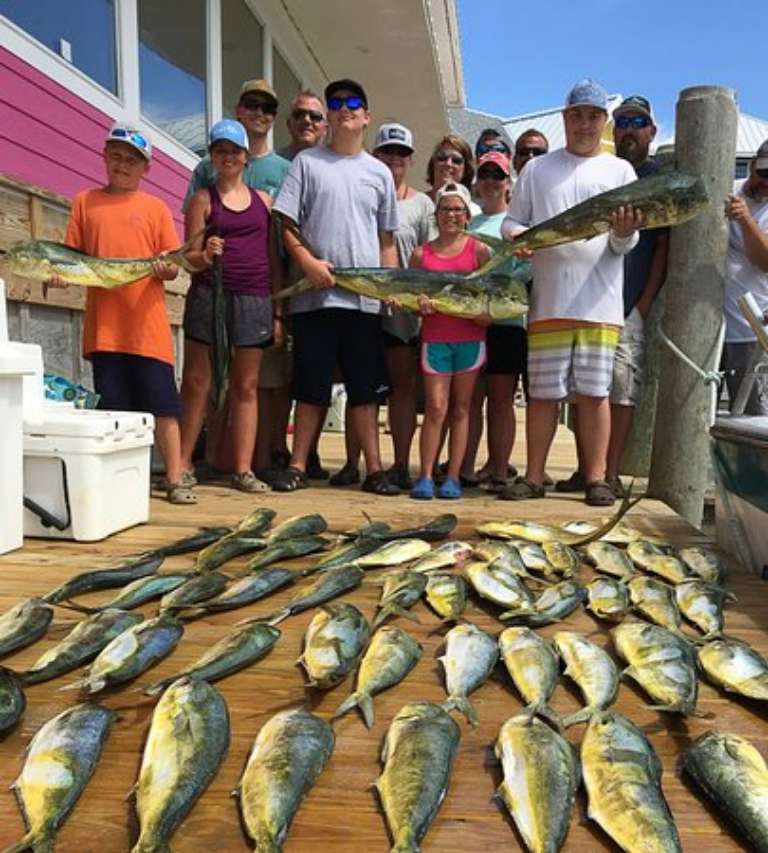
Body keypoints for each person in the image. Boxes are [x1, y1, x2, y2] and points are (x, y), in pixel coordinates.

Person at [500, 79, 642, 506]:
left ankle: (597, 478)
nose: (584, 124)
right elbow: (512, 221)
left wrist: (624, 231)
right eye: (577, 115)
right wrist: (518, 238)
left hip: (600, 304)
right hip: (549, 302)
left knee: (595, 394)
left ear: (603, 122)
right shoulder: (536, 169)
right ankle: (534, 476)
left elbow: (626, 243)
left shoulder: (620, 172)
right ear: (565, 118)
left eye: (593, 117)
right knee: (543, 396)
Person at [271, 78, 400, 495]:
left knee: (365, 390)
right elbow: (285, 223)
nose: (345, 108)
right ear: (328, 115)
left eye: (354, 102)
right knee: (311, 387)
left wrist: (389, 288)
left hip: (364, 302)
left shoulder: (379, 172)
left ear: (366, 117)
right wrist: (307, 263)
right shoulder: (307, 163)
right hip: (314, 299)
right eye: (337, 102)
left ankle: (375, 470)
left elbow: (387, 241)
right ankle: (297, 465)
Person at [53, 123, 191, 504]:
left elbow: (173, 265)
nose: (122, 164)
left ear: (146, 168)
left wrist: (165, 269)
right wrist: (57, 275)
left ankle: (175, 478)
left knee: (163, 407)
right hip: (105, 331)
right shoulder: (84, 201)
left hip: (148, 331)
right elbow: (69, 258)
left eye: (132, 160)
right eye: (116, 156)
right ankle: (123, 481)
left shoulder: (156, 208)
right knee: (115, 411)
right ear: (104, 157)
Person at [557, 96, 669, 497]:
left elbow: (663, 246)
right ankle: (586, 468)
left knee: (620, 389)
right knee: (582, 388)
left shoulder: (657, 179)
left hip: (627, 304)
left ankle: (611, 471)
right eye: (622, 123)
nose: (629, 130)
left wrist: (644, 302)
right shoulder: (599, 169)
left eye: (638, 123)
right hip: (586, 300)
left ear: (651, 131)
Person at [332, 123, 435, 490]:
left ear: (410, 160)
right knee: (359, 385)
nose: (394, 159)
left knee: (401, 387)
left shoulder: (422, 205)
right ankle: (352, 462)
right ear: (375, 155)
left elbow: (429, 258)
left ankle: (401, 463)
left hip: (400, 312)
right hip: (358, 304)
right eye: (387, 152)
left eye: (401, 154)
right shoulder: (359, 192)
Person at [179, 120, 279, 493]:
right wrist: (205, 255)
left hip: (254, 298)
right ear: (212, 156)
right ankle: (182, 463)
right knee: (196, 381)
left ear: (245, 157)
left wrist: (277, 310)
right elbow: (188, 258)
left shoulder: (264, 201)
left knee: (246, 385)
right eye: (220, 150)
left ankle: (243, 469)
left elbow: (273, 258)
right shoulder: (202, 200)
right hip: (210, 296)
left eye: (234, 151)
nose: (228, 157)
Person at [257, 89, 329, 483]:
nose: (307, 122)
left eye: (315, 117)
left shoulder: (332, 163)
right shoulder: (273, 165)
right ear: (288, 122)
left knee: (312, 376)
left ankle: (309, 450)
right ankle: (273, 448)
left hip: (319, 288)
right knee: (274, 377)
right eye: (300, 115)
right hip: (275, 283)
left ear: (325, 125)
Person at [410, 182, 492, 500]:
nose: (452, 215)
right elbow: (409, 294)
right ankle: (426, 475)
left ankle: (454, 476)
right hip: (435, 338)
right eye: (445, 209)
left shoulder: (479, 251)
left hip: (470, 338)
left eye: (458, 209)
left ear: (468, 215)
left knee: (461, 408)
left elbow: (490, 295)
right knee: (435, 408)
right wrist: (417, 304)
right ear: (437, 214)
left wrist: (486, 315)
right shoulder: (421, 253)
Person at [460, 151, 529, 492]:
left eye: (497, 175)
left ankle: (500, 470)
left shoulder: (516, 225)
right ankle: (465, 468)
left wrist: (494, 306)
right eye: (485, 174)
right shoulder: (468, 224)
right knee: (470, 401)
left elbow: (527, 272)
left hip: (506, 325)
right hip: (469, 323)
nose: (490, 181)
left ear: (508, 183)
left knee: (501, 401)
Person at [183, 79, 290, 207]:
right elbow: (191, 214)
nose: (259, 112)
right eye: (252, 104)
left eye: (268, 108)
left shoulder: (287, 171)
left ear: (274, 117)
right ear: (238, 110)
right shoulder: (208, 165)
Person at [723, 138, 768, 415]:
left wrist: (746, 220)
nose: (766, 182)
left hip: (752, 332)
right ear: (751, 166)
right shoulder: (727, 190)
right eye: (763, 173)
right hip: (709, 328)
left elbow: (765, 261)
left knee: (752, 418)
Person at [426, 134, 479, 215]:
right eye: (442, 157)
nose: (448, 163)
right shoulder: (416, 203)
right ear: (433, 163)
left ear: (466, 169)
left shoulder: (474, 212)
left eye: (456, 160)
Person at [276, 90, 328, 161]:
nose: (306, 120)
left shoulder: (335, 164)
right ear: (289, 124)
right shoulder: (273, 163)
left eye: (315, 116)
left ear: (325, 128)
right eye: (299, 114)